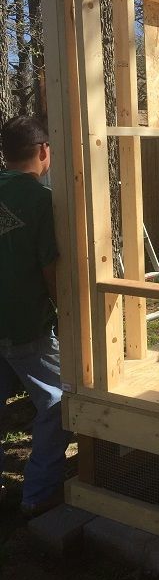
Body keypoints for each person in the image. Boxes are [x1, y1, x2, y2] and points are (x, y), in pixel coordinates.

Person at [0, 116, 70, 516]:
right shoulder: (41, 200)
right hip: (26, 326)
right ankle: (39, 493)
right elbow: (49, 271)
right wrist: (68, 315)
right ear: (44, 150)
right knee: (59, 403)